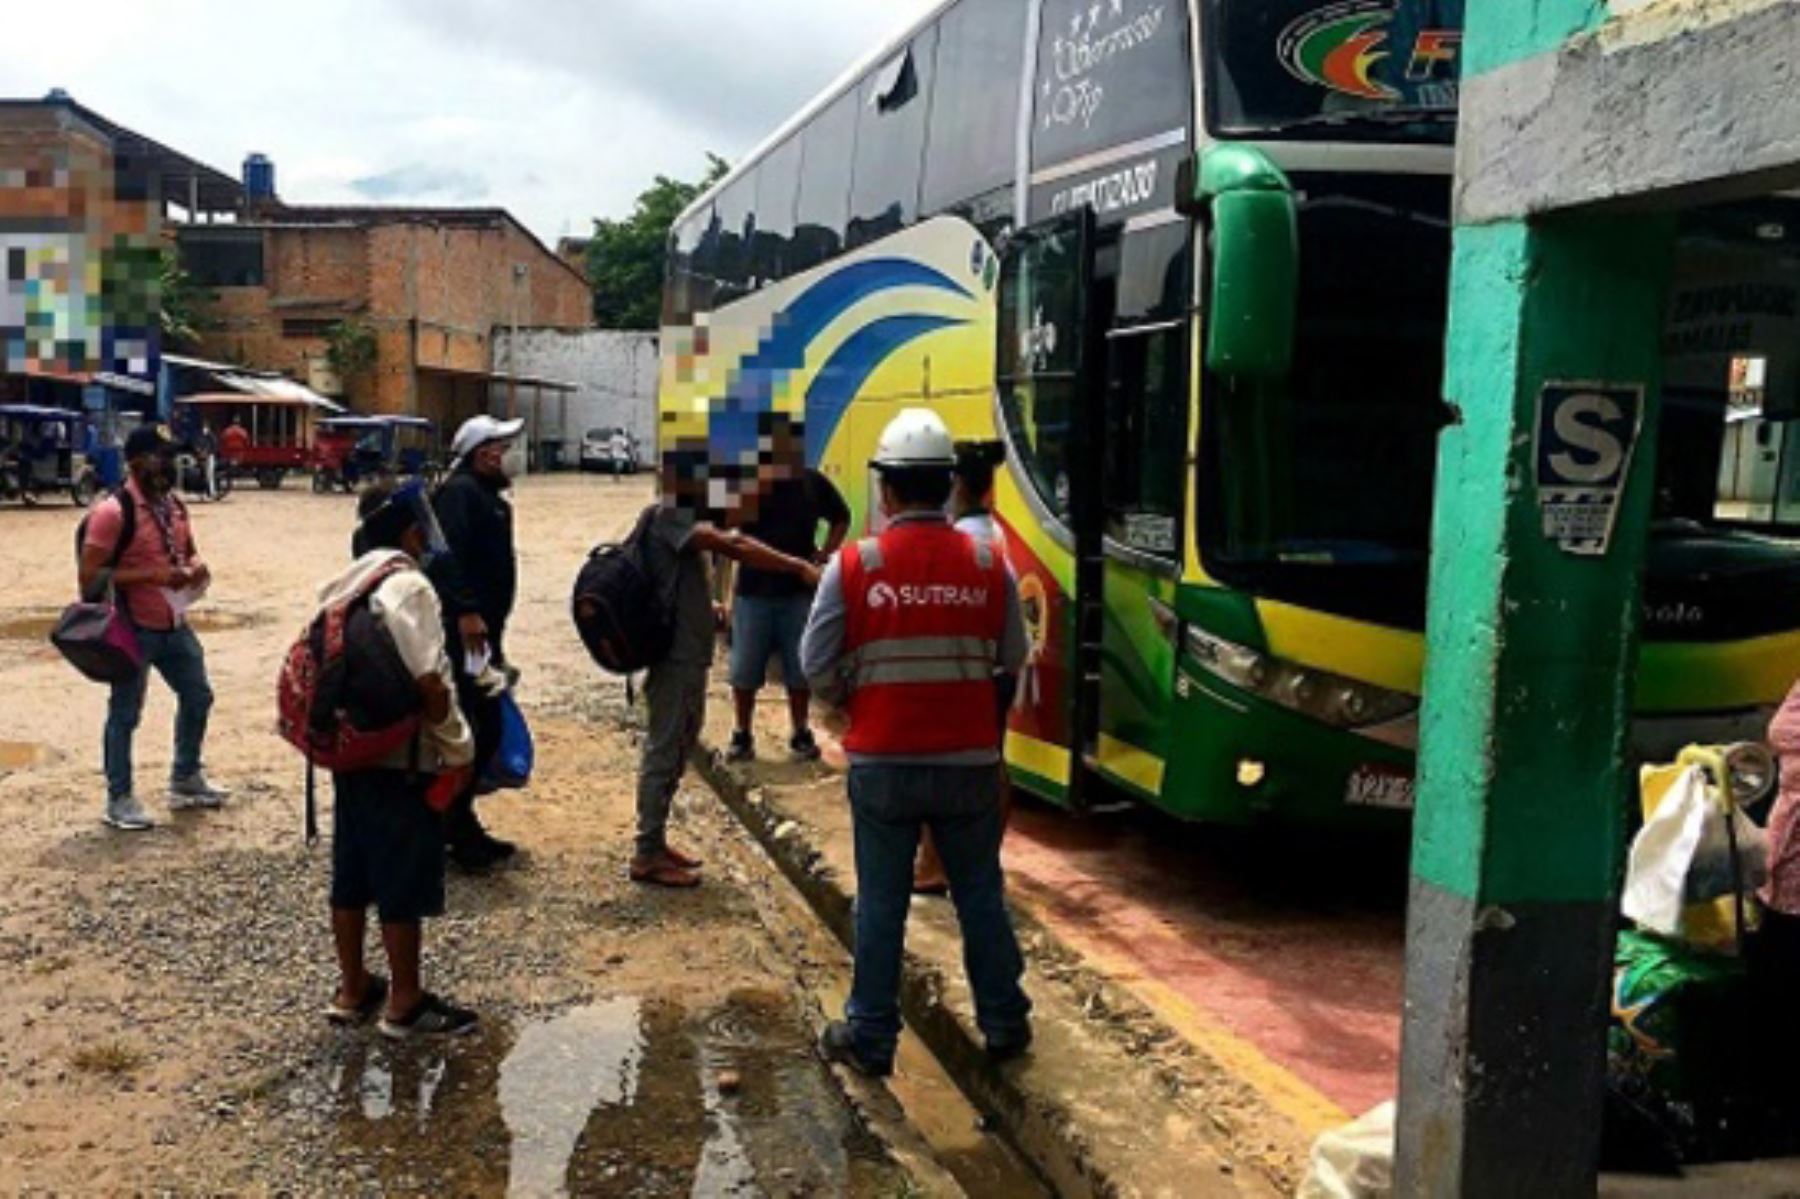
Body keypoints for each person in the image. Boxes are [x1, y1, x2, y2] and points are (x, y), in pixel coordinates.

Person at [801, 409, 1033, 1076]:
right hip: (968, 762)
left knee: (882, 901)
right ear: (949, 484)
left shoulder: (854, 565)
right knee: (979, 894)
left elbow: (815, 663)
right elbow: (1010, 658)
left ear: (887, 489)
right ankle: (1005, 1022)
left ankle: (871, 1036)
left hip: (882, 761)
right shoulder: (992, 563)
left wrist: (851, 700)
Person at [322, 479, 479, 1038]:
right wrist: (459, 750)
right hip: (400, 756)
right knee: (401, 877)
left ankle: (352, 989)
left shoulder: (348, 581)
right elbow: (432, 683)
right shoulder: (410, 586)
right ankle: (405, 1003)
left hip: (349, 749)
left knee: (352, 871)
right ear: (410, 529)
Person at [631, 443, 821, 888]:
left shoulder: (681, 518)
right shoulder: (669, 514)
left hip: (689, 655)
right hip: (674, 660)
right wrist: (795, 566)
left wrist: (708, 606)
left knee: (678, 745)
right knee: (663, 750)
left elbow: (685, 574)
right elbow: (732, 543)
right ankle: (646, 851)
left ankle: (655, 843)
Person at [79, 424, 227, 831]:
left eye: (170, 456)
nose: (167, 464)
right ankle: (119, 798)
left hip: (174, 623)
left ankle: (185, 777)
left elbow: (190, 552)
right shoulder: (112, 513)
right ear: (134, 462)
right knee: (125, 713)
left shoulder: (175, 507)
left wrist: (195, 569)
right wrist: (152, 576)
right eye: (158, 456)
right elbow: (89, 579)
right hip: (132, 629)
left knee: (198, 696)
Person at [914, 440, 1013, 895]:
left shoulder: (968, 540)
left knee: (943, 765)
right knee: (992, 761)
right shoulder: (994, 532)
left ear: (956, 484)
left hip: (970, 668)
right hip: (996, 668)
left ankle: (935, 865)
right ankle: (979, 853)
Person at [725, 417, 849, 764]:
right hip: (753, 592)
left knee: (800, 669)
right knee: (745, 669)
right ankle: (742, 732)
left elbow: (841, 517)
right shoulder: (751, 485)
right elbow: (726, 525)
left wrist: (825, 553)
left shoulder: (811, 484)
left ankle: (799, 730)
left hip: (797, 593)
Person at [431, 414, 524, 871]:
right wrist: (465, 610)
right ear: (476, 451)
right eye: (495, 446)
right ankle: (451, 824)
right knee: (471, 729)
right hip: (462, 635)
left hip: (484, 636)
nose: (502, 454)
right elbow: (445, 556)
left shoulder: (486, 495)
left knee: (483, 728)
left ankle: (461, 819)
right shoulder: (458, 493)